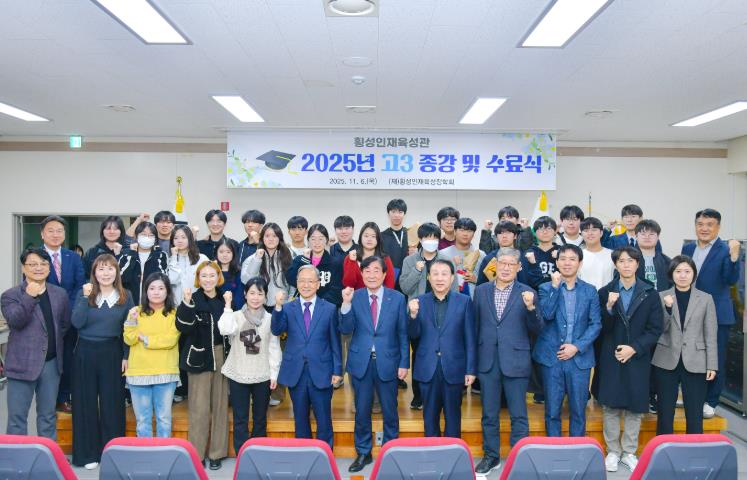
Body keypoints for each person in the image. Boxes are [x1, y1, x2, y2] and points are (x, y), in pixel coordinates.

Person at [473, 247, 542, 475]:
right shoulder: (481, 291)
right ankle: (491, 456)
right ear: (495, 265)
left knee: (519, 414)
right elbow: (475, 326)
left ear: (519, 267)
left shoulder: (528, 292)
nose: (505, 268)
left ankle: (518, 458)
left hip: (516, 360)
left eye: (511, 264)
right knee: (489, 414)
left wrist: (531, 308)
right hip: (488, 361)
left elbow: (537, 329)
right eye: (502, 263)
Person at [339, 257, 409, 473]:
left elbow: (403, 333)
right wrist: (346, 304)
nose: (371, 275)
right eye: (367, 270)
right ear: (361, 274)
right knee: (361, 411)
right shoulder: (354, 296)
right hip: (361, 362)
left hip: (388, 361)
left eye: (376, 270)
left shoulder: (397, 298)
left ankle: (390, 451)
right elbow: (345, 329)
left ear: (385, 274)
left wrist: (404, 363)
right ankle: (363, 452)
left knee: (390, 410)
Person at [597, 246, 663, 473]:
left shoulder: (650, 293)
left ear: (637, 264)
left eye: (631, 260)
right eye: (622, 261)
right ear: (615, 264)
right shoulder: (605, 292)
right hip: (611, 354)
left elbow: (655, 329)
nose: (626, 265)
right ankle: (613, 451)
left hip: (638, 356)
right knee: (611, 405)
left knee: (636, 405)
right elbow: (601, 328)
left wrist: (634, 348)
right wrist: (608, 308)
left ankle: (629, 452)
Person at [71, 254, 133, 469]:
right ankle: (87, 455)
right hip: (85, 351)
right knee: (84, 402)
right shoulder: (84, 293)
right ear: (94, 273)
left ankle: (112, 452)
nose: (106, 273)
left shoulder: (126, 295)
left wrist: (126, 356)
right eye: (101, 269)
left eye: (110, 269)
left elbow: (129, 328)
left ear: (117, 272)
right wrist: (83, 298)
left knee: (112, 403)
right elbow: (76, 322)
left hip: (112, 351)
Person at [271, 265, 343, 448]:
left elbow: (335, 342)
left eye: (310, 281)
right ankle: (304, 454)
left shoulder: (329, 309)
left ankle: (325, 455)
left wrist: (337, 370)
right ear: (296, 283)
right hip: (296, 372)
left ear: (318, 284)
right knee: (300, 418)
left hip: (322, 371)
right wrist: (277, 306)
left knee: (324, 419)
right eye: (302, 281)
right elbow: (276, 330)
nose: (306, 285)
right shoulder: (288, 308)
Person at [2, 248, 70, 439]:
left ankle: (47, 455)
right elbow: (16, 321)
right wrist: (29, 296)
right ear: (23, 268)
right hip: (22, 364)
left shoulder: (60, 294)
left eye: (43, 264)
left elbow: (64, 325)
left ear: (49, 267)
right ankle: (17, 457)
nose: (38, 268)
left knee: (47, 417)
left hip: (51, 364)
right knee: (17, 419)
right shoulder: (11, 295)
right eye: (33, 264)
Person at [534, 245, 601, 437]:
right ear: (557, 262)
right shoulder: (545, 288)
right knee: (552, 411)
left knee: (578, 411)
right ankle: (555, 449)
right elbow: (547, 314)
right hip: (552, 358)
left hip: (579, 359)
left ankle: (576, 449)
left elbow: (595, 324)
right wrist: (555, 288)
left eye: (572, 259)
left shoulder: (590, 291)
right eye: (563, 259)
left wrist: (576, 346)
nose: (567, 263)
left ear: (580, 263)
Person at [682, 208, 740, 419]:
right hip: (690, 310)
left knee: (715, 356)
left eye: (709, 224)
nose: (704, 228)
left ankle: (712, 401)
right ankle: (693, 396)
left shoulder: (726, 249)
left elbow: (731, 279)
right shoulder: (688, 247)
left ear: (718, 227)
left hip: (717, 312)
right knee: (691, 354)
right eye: (700, 224)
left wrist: (734, 257)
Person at [407, 260, 476, 438]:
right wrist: (413, 315)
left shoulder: (464, 302)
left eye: (444, 274)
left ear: (452, 278)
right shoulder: (419, 302)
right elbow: (413, 335)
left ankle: (453, 452)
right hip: (427, 368)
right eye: (435, 274)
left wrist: (470, 369)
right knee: (429, 418)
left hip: (454, 367)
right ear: (428, 277)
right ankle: (432, 452)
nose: (439, 278)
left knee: (453, 417)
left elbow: (470, 338)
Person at [654, 255, 717, 434]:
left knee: (695, 413)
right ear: (671, 274)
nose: (682, 275)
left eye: (687, 271)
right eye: (678, 271)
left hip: (697, 360)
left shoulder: (705, 299)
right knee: (665, 412)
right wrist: (667, 309)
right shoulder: (661, 296)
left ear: (694, 274)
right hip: (666, 359)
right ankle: (664, 446)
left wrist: (712, 364)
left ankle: (694, 448)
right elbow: (658, 328)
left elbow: (711, 334)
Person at [218, 277, 281, 455]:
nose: (255, 297)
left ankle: (258, 452)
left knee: (260, 419)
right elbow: (225, 329)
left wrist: (274, 374)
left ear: (265, 297)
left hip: (262, 375)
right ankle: (242, 454)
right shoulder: (235, 316)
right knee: (240, 419)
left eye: (260, 294)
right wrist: (228, 305)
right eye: (252, 293)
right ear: (245, 294)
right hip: (238, 374)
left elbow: (274, 347)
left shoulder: (270, 319)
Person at [176, 261, 230, 470]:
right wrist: (186, 303)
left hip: (221, 355)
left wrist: (228, 305)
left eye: (212, 275)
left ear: (218, 277)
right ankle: (196, 454)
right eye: (204, 276)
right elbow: (183, 326)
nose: (208, 279)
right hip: (199, 357)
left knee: (220, 406)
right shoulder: (193, 299)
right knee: (198, 408)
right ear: (198, 278)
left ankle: (217, 453)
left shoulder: (225, 298)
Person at [399, 222, 455, 409]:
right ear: (420, 239)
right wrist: (417, 270)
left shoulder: (446, 259)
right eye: (427, 237)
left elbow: (453, 288)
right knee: (419, 354)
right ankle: (419, 396)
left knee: (442, 352)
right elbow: (405, 287)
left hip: (441, 313)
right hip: (418, 314)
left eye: (434, 238)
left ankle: (440, 393)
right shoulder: (410, 260)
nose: (431, 241)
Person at [124, 272, 180, 438]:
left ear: (167, 291)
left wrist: (145, 338)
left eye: (161, 288)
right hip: (139, 372)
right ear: (146, 291)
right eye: (152, 288)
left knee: (164, 419)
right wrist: (133, 322)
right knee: (142, 420)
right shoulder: (135, 311)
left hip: (165, 372)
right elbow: (129, 338)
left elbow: (170, 340)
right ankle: (145, 452)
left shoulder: (174, 313)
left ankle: (164, 452)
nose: (156, 292)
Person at [40, 215, 85, 414]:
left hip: (69, 317)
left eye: (59, 230)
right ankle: (47, 399)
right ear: (42, 234)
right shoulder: (35, 257)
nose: (55, 234)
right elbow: (34, 285)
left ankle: (63, 398)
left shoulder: (73, 257)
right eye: (50, 230)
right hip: (45, 318)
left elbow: (80, 285)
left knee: (67, 358)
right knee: (47, 361)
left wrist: (69, 311)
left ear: (64, 234)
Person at [287, 224, 344, 308]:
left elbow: (337, 289)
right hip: (303, 307)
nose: (317, 243)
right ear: (308, 241)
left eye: (321, 239)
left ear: (326, 240)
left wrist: (319, 304)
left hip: (325, 307)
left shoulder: (335, 262)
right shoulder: (300, 259)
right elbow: (291, 280)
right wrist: (305, 260)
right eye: (313, 239)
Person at [241, 223, 292, 312]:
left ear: (279, 238)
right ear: (262, 238)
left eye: (274, 236)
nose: (271, 239)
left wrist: (289, 302)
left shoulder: (287, 257)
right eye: (267, 236)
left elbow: (293, 284)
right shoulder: (253, 258)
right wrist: (257, 260)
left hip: (283, 306)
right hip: (259, 307)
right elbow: (246, 280)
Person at [119, 221, 169, 304]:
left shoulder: (161, 255)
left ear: (155, 239)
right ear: (136, 236)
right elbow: (122, 278)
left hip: (153, 303)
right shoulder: (126, 254)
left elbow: (163, 279)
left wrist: (156, 255)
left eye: (151, 235)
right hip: (129, 303)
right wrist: (132, 254)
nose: (147, 238)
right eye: (143, 234)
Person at [439, 218, 485, 299]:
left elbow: (490, 281)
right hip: (449, 299)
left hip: (476, 300)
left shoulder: (481, 255)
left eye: (469, 231)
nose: (465, 234)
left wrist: (477, 280)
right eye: (462, 230)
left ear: (474, 234)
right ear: (455, 232)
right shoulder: (443, 254)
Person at [343, 222, 396, 290]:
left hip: (379, 296)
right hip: (356, 295)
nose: (369, 239)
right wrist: (352, 262)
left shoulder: (385, 259)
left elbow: (390, 285)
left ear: (378, 239)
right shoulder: (350, 257)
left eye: (373, 236)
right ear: (360, 238)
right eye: (366, 236)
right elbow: (349, 285)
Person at [168, 224, 209, 304]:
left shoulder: (202, 258)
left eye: (183, 237)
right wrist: (174, 257)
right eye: (176, 238)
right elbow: (173, 280)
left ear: (189, 239)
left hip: (199, 303)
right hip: (177, 304)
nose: (180, 241)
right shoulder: (170, 260)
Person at [578, 217, 615, 290]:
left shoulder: (612, 254)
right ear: (581, 234)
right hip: (584, 296)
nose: (590, 233)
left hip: (607, 296)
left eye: (594, 230)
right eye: (586, 230)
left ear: (601, 233)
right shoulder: (577, 256)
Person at [524, 216, 560, 290]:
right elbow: (527, 279)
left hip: (558, 292)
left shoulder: (562, 251)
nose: (545, 232)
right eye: (541, 229)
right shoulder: (529, 253)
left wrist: (560, 258)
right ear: (535, 232)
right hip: (534, 293)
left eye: (549, 228)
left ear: (555, 231)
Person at [381, 199, 409, 284]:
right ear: (388, 214)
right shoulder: (381, 236)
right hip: (388, 278)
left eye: (400, 212)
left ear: (404, 214)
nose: (396, 215)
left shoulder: (411, 234)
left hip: (408, 278)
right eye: (393, 212)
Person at [216, 238, 245, 311]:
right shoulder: (212, 271)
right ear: (216, 253)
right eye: (221, 252)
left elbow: (239, 297)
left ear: (233, 253)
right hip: (214, 310)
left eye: (228, 252)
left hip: (233, 312)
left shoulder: (239, 272)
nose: (225, 255)